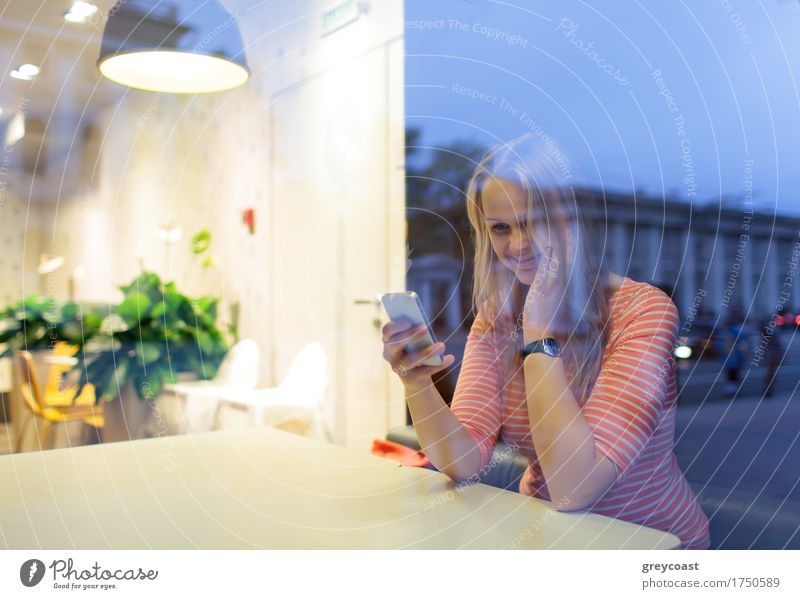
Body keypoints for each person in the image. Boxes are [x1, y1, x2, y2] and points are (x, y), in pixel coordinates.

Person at [381, 134, 710, 549]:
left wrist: (539, 331)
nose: (518, 245)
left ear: (572, 221)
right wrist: (416, 381)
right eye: (501, 228)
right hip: (547, 538)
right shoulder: (497, 317)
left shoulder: (643, 311)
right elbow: (462, 461)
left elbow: (575, 485)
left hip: (652, 544)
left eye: (536, 221)